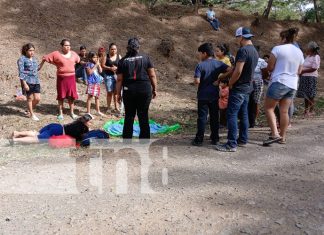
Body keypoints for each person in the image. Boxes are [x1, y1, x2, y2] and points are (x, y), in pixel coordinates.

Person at [215, 27, 259, 152]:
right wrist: (224, 76)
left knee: (232, 114)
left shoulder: (243, 50)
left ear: (241, 37)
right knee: (244, 114)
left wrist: (230, 83)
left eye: (237, 37)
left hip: (239, 87)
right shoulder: (254, 51)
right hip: (248, 87)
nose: (237, 40)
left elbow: (238, 70)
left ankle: (231, 144)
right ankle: (243, 139)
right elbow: (235, 69)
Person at [263, 29, 304, 146]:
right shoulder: (299, 52)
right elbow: (300, 71)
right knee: (284, 111)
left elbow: (270, 67)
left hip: (279, 81)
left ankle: (275, 134)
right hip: (293, 84)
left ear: (284, 38)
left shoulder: (278, 49)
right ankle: (282, 137)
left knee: (269, 108)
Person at [116, 37, 157, 139]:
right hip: (144, 90)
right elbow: (152, 75)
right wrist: (155, 88)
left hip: (128, 91)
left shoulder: (122, 61)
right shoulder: (146, 58)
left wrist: (118, 94)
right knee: (143, 115)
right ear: (139, 47)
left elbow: (119, 80)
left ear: (127, 47)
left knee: (129, 116)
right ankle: (144, 140)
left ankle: (126, 140)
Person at [192, 43, 231, 146]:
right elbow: (231, 70)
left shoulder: (200, 65)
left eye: (200, 53)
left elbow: (197, 81)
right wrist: (220, 78)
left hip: (203, 95)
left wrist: (197, 80)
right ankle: (215, 138)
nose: (199, 56)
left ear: (204, 53)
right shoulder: (218, 64)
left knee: (202, 118)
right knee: (214, 117)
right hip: (214, 95)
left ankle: (199, 139)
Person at [39, 39, 80, 121]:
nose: (68, 47)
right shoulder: (56, 54)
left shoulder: (73, 54)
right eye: (66, 45)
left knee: (71, 96)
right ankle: (61, 113)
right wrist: (52, 64)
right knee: (61, 96)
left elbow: (78, 60)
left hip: (71, 78)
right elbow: (45, 58)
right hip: (61, 78)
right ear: (62, 46)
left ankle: (72, 112)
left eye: (69, 45)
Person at [11, 113, 93, 144]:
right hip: (57, 131)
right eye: (90, 122)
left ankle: (17, 133)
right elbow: (81, 139)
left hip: (56, 125)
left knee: (37, 134)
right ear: (86, 122)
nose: (91, 123)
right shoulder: (83, 128)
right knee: (38, 139)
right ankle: (16, 140)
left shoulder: (77, 122)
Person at [17, 43, 41, 121]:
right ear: (25, 50)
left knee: (37, 99)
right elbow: (21, 72)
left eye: (33, 50)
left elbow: (37, 69)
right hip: (27, 81)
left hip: (36, 81)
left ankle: (28, 109)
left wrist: (43, 61)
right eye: (30, 50)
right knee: (30, 98)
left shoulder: (34, 59)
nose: (32, 52)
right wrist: (24, 84)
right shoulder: (22, 59)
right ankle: (32, 114)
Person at [297, 41, 320, 117]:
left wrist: (303, 71)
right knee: (305, 94)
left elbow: (314, 68)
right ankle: (306, 111)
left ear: (311, 49)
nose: (306, 49)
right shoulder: (308, 56)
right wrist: (301, 72)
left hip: (311, 77)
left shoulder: (316, 57)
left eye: (308, 48)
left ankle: (311, 110)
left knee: (311, 94)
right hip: (304, 76)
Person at [248, 45, 268, 128]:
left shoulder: (261, 61)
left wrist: (259, 79)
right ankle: (248, 120)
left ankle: (254, 120)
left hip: (258, 83)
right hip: (248, 83)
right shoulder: (248, 60)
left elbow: (265, 73)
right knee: (248, 102)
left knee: (256, 102)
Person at [102, 43, 122, 113]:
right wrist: (110, 68)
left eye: (115, 49)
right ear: (109, 49)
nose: (113, 50)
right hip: (108, 76)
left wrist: (117, 68)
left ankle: (116, 107)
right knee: (109, 92)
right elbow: (103, 66)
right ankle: (108, 107)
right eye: (112, 49)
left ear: (116, 50)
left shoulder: (119, 56)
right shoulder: (106, 56)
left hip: (117, 76)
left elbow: (122, 65)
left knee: (116, 92)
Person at [85, 51, 105, 116]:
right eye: (94, 57)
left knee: (97, 97)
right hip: (91, 83)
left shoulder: (96, 64)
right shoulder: (88, 64)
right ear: (90, 58)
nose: (95, 58)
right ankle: (88, 112)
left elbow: (101, 71)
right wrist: (95, 65)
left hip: (97, 82)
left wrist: (98, 64)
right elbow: (89, 72)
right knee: (90, 97)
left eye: (96, 57)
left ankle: (98, 111)